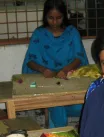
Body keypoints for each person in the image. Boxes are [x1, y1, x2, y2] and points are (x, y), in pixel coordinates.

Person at [22, 0, 89, 128]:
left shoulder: (72, 32)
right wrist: (43, 70)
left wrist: (65, 70)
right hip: (47, 79)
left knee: (77, 106)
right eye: (50, 18)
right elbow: (30, 60)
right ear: (45, 16)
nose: (54, 22)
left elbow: (79, 57)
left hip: (68, 76)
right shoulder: (39, 34)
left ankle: (56, 127)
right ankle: (58, 133)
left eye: (58, 18)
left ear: (64, 16)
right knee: (57, 105)